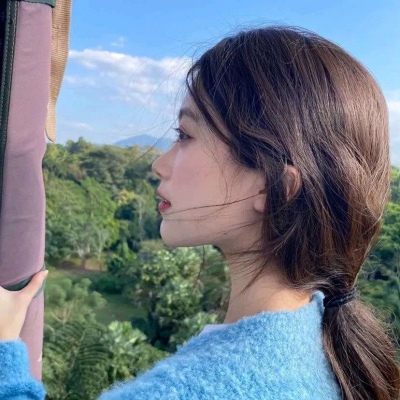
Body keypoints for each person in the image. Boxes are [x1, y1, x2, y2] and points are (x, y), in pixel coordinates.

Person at [0, 25, 399, 400]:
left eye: (185, 135)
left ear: (273, 186)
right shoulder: (319, 347)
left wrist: (4, 354)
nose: (159, 164)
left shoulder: (201, 388)